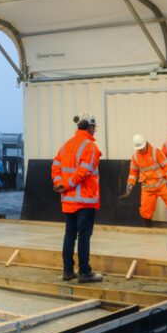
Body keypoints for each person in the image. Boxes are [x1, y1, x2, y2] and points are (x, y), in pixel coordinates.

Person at [52, 113, 103, 283]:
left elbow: (56, 167)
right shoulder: (90, 147)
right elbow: (83, 172)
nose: (94, 131)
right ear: (89, 127)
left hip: (68, 201)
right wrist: (67, 185)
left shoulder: (66, 145)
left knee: (70, 235)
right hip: (85, 201)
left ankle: (68, 271)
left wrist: (60, 184)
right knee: (83, 236)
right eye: (94, 128)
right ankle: (85, 272)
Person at [127, 134, 167, 228]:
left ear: (146, 143)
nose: (141, 150)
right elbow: (133, 172)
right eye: (139, 149)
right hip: (147, 188)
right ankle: (147, 231)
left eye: (142, 148)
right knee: (145, 211)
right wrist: (130, 184)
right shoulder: (135, 157)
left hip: (162, 185)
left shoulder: (156, 152)